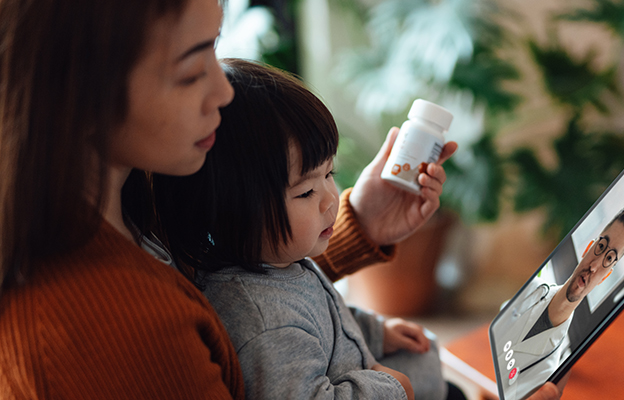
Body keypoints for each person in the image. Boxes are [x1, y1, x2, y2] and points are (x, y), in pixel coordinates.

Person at [0, 0, 455, 397]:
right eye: (191, 70)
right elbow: (259, 323)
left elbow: (259, 291)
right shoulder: (118, 331)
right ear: (83, 92)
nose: (223, 91)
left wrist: (361, 221)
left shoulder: (141, 208)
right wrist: (389, 386)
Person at [152, 58, 461, 399]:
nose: (331, 199)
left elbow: (322, 315)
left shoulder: (277, 262)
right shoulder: (265, 322)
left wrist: (374, 332)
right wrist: (390, 388)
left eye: (329, 173)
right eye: (305, 191)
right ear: (230, 208)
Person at [497, 200, 624, 400]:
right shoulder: (528, 293)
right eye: (601, 246)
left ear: (606, 275)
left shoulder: (559, 362)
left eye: (609, 259)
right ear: (588, 248)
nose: (594, 265)